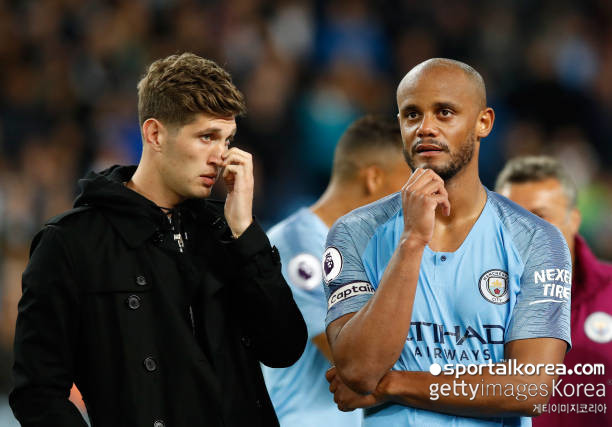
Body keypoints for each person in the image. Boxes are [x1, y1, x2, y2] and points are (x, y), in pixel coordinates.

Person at [10, 52, 307, 427]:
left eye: (227, 138)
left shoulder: (231, 230)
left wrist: (245, 234)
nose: (222, 156)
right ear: (154, 134)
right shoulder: (71, 242)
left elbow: (284, 348)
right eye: (206, 137)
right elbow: (37, 391)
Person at [323, 58, 572, 426]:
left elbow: (530, 388)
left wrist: (392, 384)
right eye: (411, 115)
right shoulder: (354, 232)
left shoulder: (537, 239)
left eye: (444, 113)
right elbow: (359, 370)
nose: (425, 128)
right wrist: (411, 241)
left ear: (483, 123)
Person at [262, 115, 412, 426]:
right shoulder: (298, 248)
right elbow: (355, 364)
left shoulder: (364, 252)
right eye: (408, 185)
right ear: (373, 179)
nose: (414, 202)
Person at [496, 155, 612, 427]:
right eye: (510, 219)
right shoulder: (471, 298)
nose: (522, 234)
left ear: (574, 220)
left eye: (539, 218)